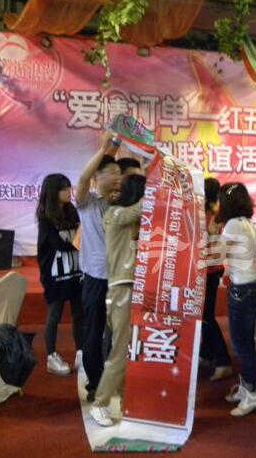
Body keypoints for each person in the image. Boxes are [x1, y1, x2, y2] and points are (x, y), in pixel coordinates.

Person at [89, 174, 145, 427]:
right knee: (121, 350)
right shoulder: (114, 214)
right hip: (121, 289)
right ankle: (100, 403)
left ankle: (125, 401)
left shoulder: (130, 219)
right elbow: (141, 207)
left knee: (127, 349)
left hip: (129, 289)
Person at [75, 132, 121, 402]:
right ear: (98, 176)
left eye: (118, 173)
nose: (117, 177)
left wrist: (113, 148)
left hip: (119, 277)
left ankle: (114, 377)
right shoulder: (87, 202)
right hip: (95, 278)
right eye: (111, 172)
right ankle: (95, 381)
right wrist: (104, 149)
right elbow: (83, 179)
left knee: (117, 331)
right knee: (94, 331)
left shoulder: (118, 202)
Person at [216, 183, 256, 416]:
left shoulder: (233, 224)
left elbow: (218, 254)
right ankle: (246, 387)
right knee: (246, 343)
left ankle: (253, 394)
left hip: (242, 289)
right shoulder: (247, 223)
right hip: (251, 286)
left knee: (241, 345)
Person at [36, 173, 84, 376]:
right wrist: (81, 240)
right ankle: (51, 356)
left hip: (75, 271)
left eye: (68, 187)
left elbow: (79, 237)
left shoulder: (72, 211)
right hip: (55, 275)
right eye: (64, 188)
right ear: (54, 192)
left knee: (79, 314)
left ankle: (81, 352)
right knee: (54, 314)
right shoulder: (46, 219)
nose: (68, 191)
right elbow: (61, 245)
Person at [201, 177, 234, 382]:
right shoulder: (213, 213)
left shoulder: (212, 215)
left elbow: (213, 235)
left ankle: (223, 361)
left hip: (209, 270)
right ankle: (208, 353)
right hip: (210, 269)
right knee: (205, 315)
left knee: (206, 317)